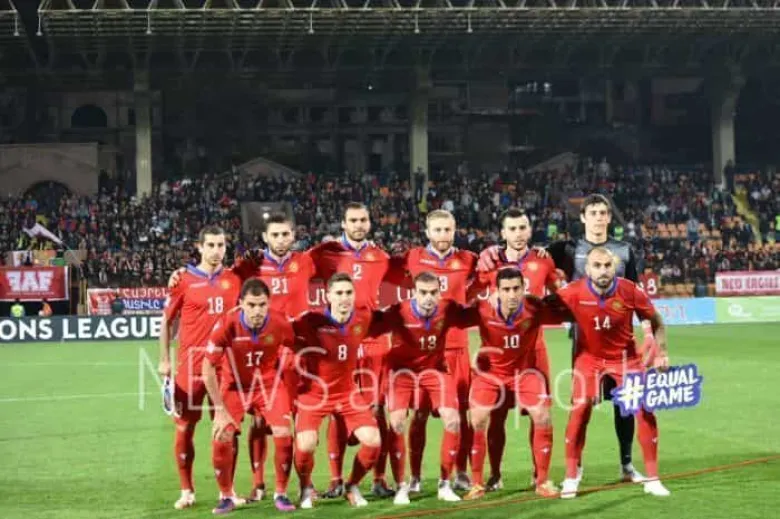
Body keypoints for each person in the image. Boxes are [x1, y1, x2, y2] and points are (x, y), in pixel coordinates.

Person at [546, 194, 650, 484]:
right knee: (583, 404)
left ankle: (627, 465)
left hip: (620, 341)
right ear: (583, 217)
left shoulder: (624, 250)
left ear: (609, 217)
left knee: (624, 404)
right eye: (592, 213)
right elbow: (535, 263)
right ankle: (575, 468)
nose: (599, 218)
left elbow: (635, 293)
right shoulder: (569, 249)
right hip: (586, 342)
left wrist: (647, 331)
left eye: (603, 213)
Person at [555, 247, 670, 499]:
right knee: (580, 409)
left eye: (607, 265)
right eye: (597, 266)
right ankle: (572, 476)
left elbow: (656, 320)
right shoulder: (573, 291)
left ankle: (653, 478)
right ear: (587, 269)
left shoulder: (629, 290)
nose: (603, 270)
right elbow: (541, 311)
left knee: (644, 410)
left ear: (614, 267)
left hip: (626, 360)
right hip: (589, 359)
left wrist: (661, 352)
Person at [475, 208, 563, 491]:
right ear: (503, 233)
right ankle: (494, 475)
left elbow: (560, 295)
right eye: (512, 228)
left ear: (530, 229)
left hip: (534, 352)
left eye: (523, 227)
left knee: (540, 414)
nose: (518, 233)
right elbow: (469, 295)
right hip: (498, 355)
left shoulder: (543, 260)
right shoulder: (489, 261)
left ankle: (540, 477)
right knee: (496, 415)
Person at [393, 209, 480, 493]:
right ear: (428, 232)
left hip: (457, 347)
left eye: (448, 229)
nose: (443, 235)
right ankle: (415, 476)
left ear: (455, 230)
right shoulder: (413, 257)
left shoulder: (468, 259)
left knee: (461, 415)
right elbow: (385, 268)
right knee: (418, 415)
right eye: (438, 229)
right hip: (423, 352)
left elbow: (491, 272)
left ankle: (461, 472)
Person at [463, 267, 567, 500]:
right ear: (497, 291)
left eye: (516, 289)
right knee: (478, 418)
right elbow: (453, 315)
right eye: (506, 289)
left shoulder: (535, 308)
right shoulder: (482, 309)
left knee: (542, 415)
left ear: (524, 288)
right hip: (491, 374)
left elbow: (567, 310)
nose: (512, 295)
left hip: (524, 373)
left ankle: (542, 481)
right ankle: (477, 483)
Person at [158, 226, 242, 510]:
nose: (216, 251)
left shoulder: (235, 279)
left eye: (221, 245)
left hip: (225, 367)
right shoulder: (183, 280)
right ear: (200, 247)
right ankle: (187, 490)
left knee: (227, 428)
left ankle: (228, 490)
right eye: (211, 245)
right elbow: (167, 321)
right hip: (191, 366)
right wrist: (165, 359)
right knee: (185, 428)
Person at [371, 272, 470, 505]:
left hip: (435, 371)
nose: (428, 298)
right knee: (396, 422)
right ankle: (402, 486)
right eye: (423, 293)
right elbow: (369, 326)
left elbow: (477, 315)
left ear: (439, 292)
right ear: (414, 293)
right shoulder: (398, 312)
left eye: (433, 293)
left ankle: (445, 484)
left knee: (453, 420)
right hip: (401, 373)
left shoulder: (448, 309)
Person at [291, 273, 384, 509]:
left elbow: (392, 320)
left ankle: (352, 486)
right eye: (339, 293)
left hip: (347, 392)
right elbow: (283, 330)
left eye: (348, 293)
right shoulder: (311, 321)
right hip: (314, 394)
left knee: (373, 441)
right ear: (328, 296)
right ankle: (305, 488)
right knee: (306, 445)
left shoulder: (363, 317)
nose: (344, 298)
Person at [203, 278, 296, 514]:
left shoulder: (280, 322)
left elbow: (294, 348)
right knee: (221, 435)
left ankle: (281, 493)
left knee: (284, 433)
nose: (257, 311)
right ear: (241, 303)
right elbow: (207, 367)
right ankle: (226, 496)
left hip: (268, 386)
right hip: (234, 387)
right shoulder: (227, 324)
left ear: (269, 303)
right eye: (251, 305)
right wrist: (219, 410)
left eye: (262, 305)